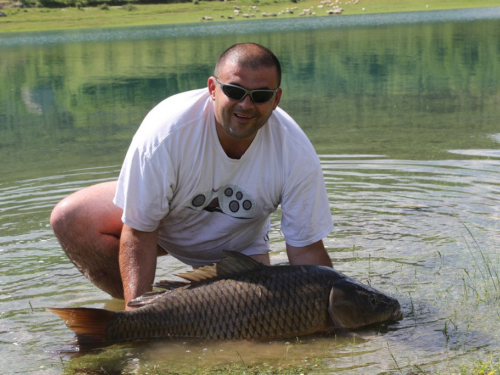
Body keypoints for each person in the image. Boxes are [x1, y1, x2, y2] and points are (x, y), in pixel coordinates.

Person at [50, 43, 334, 310]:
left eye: (260, 96)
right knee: (70, 217)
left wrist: (335, 309)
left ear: (276, 99)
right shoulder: (166, 132)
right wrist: (135, 316)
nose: (246, 105)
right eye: (234, 91)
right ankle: (148, 311)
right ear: (213, 88)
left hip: (239, 252)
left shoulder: (295, 150)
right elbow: (139, 231)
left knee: (246, 326)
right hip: (167, 226)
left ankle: (187, 311)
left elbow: (306, 247)